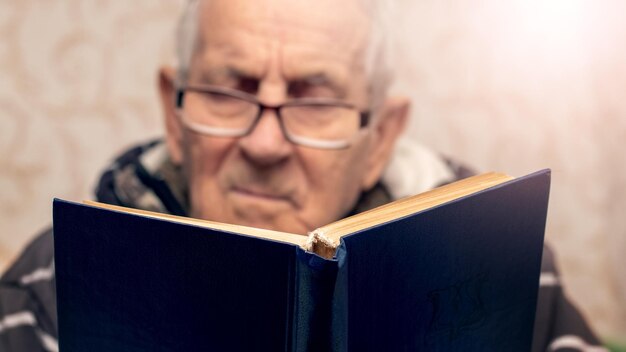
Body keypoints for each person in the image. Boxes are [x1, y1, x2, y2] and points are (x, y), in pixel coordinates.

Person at [0, 0, 606, 351]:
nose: (265, 144)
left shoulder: (507, 264)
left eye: (315, 100)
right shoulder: (51, 285)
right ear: (174, 112)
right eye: (227, 91)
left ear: (380, 140)